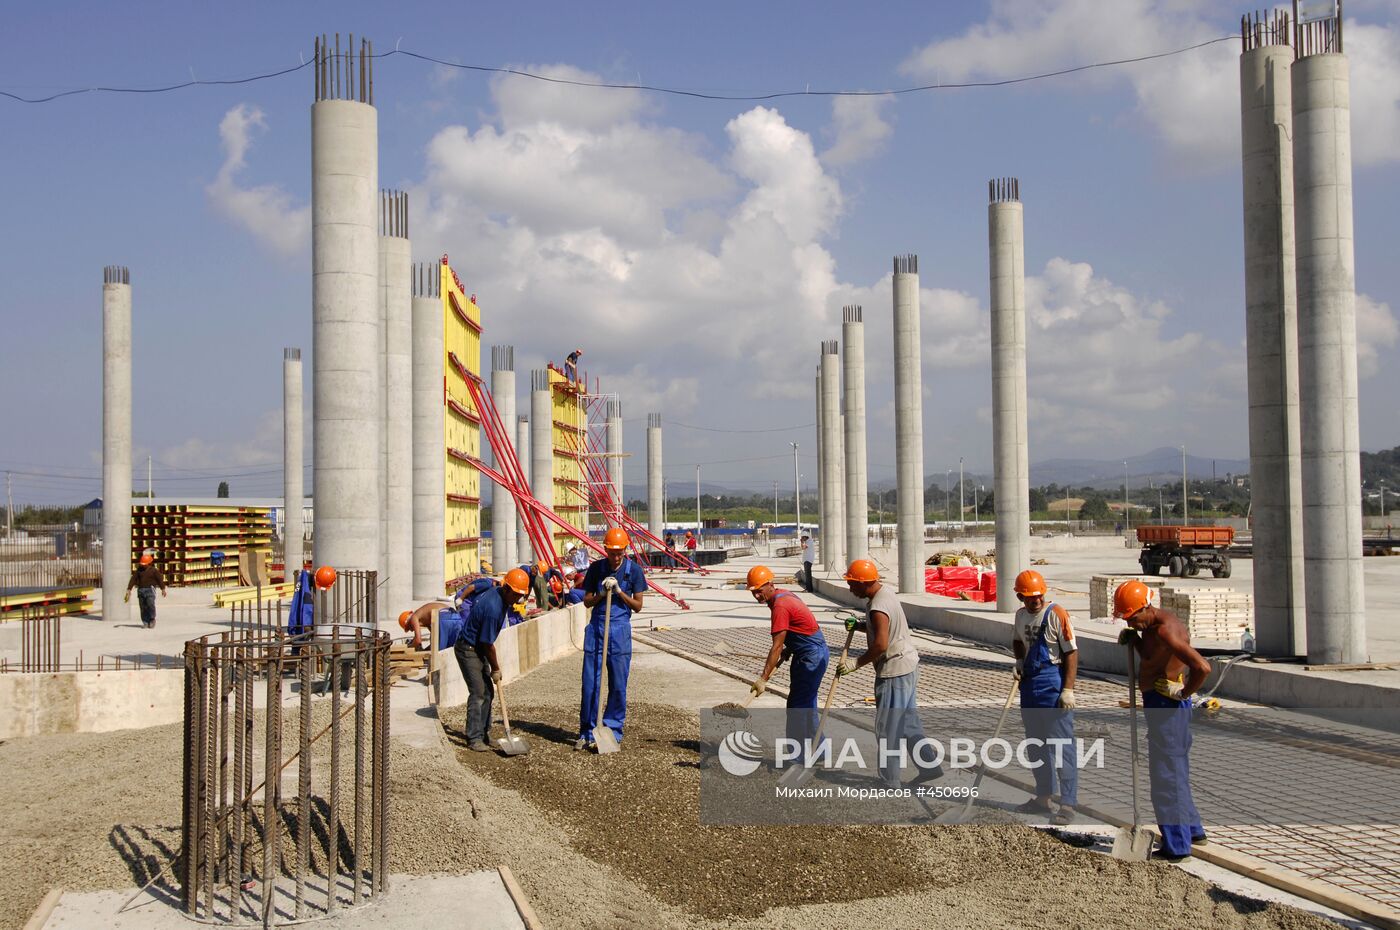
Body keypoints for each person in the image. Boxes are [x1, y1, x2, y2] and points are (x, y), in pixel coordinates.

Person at [1114, 579, 1212, 860]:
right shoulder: (1152, 628)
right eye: (1127, 619)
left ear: (1146, 607)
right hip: (1160, 706)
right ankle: (1193, 830)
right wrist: (1134, 642)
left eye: (1133, 618)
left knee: (1166, 779)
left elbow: (1202, 667)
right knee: (1176, 772)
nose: (1132, 623)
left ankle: (1177, 847)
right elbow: (1152, 658)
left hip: (1168, 708)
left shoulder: (1168, 631)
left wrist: (1183, 692)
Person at [837, 559, 933, 788]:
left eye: (852, 584)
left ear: (864, 583)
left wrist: (855, 664)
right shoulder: (883, 595)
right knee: (908, 723)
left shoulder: (879, 606)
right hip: (908, 665)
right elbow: (882, 629)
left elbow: (880, 644)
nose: (850, 589)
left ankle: (890, 780)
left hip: (894, 671)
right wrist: (861, 626)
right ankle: (929, 766)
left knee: (888, 727)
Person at [1010, 570, 1079, 825]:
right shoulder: (1019, 615)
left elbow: (1071, 653)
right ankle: (1043, 797)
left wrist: (1068, 689)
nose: (1036, 601)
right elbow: (1018, 640)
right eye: (1030, 597)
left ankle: (1068, 803)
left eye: (1039, 596)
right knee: (1036, 746)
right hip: (1030, 684)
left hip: (1052, 682)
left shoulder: (1056, 614)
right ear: (1020, 596)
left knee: (1062, 746)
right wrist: (1018, 660)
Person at [746, 565, 829, 748]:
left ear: (769, 584)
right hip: (809, 652)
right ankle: (818, 749)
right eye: (753, 592)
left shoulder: (780, 606)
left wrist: (763, 679)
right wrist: (791, 646)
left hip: (811, 657)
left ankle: (798, 755)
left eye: (759, 591)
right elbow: (800, 626)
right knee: (806, 705)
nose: (757, 596)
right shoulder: (783, 595)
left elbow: (776, 647)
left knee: (798, 707)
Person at [578, 527, 646, 749]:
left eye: (619, 553)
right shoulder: (596, 569)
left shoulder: (634, 571)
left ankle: (613, 729)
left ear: (625, 550)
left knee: (618, 684)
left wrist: (618, 592)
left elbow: (638, 606)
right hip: (597, 628)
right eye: (612, 552)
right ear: (605, 549)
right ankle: (587, 731)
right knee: (591, 684)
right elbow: (587, 601)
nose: (616, 557)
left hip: (620, 631)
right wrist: (602, 594)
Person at [456, 567, 529, 752]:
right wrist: (496, 668)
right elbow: (488, 644)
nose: (518, 599)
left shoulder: (501, 595)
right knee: (479, 692)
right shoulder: (493, 608)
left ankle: (483, 733)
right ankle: (474, 738)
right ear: (507, 589)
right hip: (468, 649)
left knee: (488, 691)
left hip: (478, 648)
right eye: (516, 594)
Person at [124, 553, 167, 628]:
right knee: (143, 607)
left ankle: (152, 619)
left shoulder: (154, 571)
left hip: (150, 590)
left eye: (144, 564)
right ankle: (145, 622)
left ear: (149, 563)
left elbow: (160, 580)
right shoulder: (139, 570)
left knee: (150, 605)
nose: (143, 565)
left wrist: (163, 589)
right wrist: (129, 589)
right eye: (142, 564)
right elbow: (133, 579)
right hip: (141, 590)